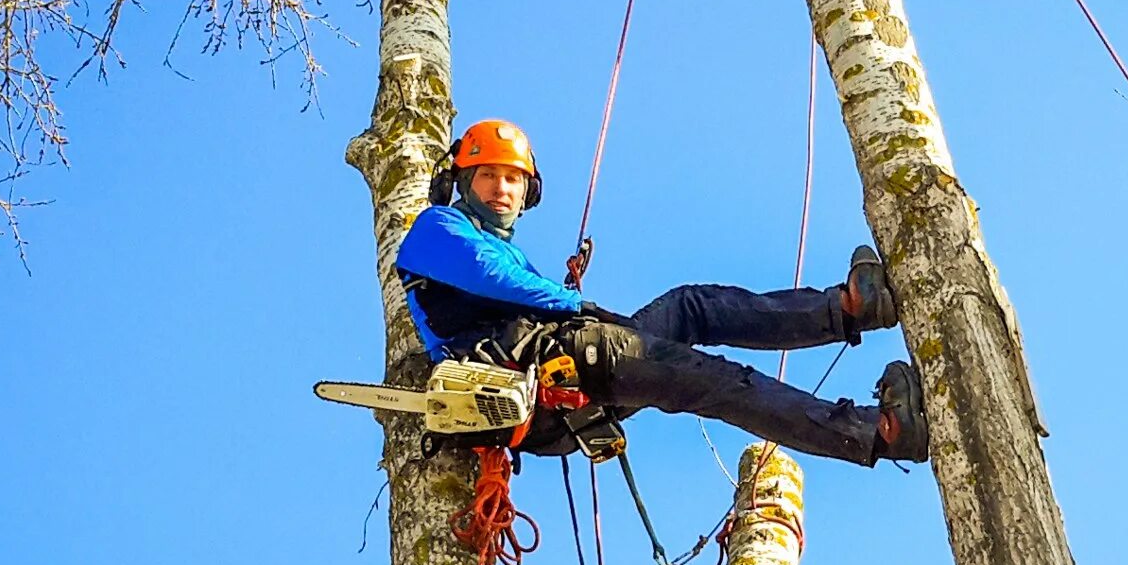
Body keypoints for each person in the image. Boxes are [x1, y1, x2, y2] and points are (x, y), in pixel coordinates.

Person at [394, 119, 929, 466]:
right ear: (461, 181)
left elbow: (514, 290)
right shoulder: (436, 229)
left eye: (512, 179)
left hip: (567, 371)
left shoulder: (505, 250)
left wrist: (569, 302)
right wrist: (573, 303)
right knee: (721, 383)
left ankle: (848, 309)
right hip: (551, 374)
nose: (502, 189)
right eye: (488, 175)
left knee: (689, 306)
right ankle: (878, 432)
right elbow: (491, 277)